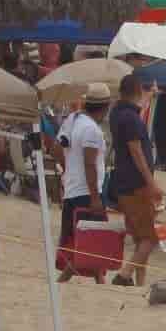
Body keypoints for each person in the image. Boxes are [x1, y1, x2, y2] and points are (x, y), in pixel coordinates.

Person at [105, 74, 163, 288]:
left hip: (125, 183)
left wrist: (149, 95)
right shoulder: (130, 119)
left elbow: (138, 103)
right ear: (137, 91)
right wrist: (151, 183)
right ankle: (124, 274)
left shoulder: (118, 112)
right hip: (136, 184)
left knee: (140, 237)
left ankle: (139, 282)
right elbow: (136, 152)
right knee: (149, 239)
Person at [56, 84, 110, 280]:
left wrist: (69, 169)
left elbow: (57, 146)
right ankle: (64, 280)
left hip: (73, 189)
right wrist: (95, 197)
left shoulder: (73, 119)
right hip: (87, 192)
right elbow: (90, 164)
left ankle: (99, 280)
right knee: (92, 242)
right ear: (105, 107)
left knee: (84, 242)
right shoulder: (92, 130)